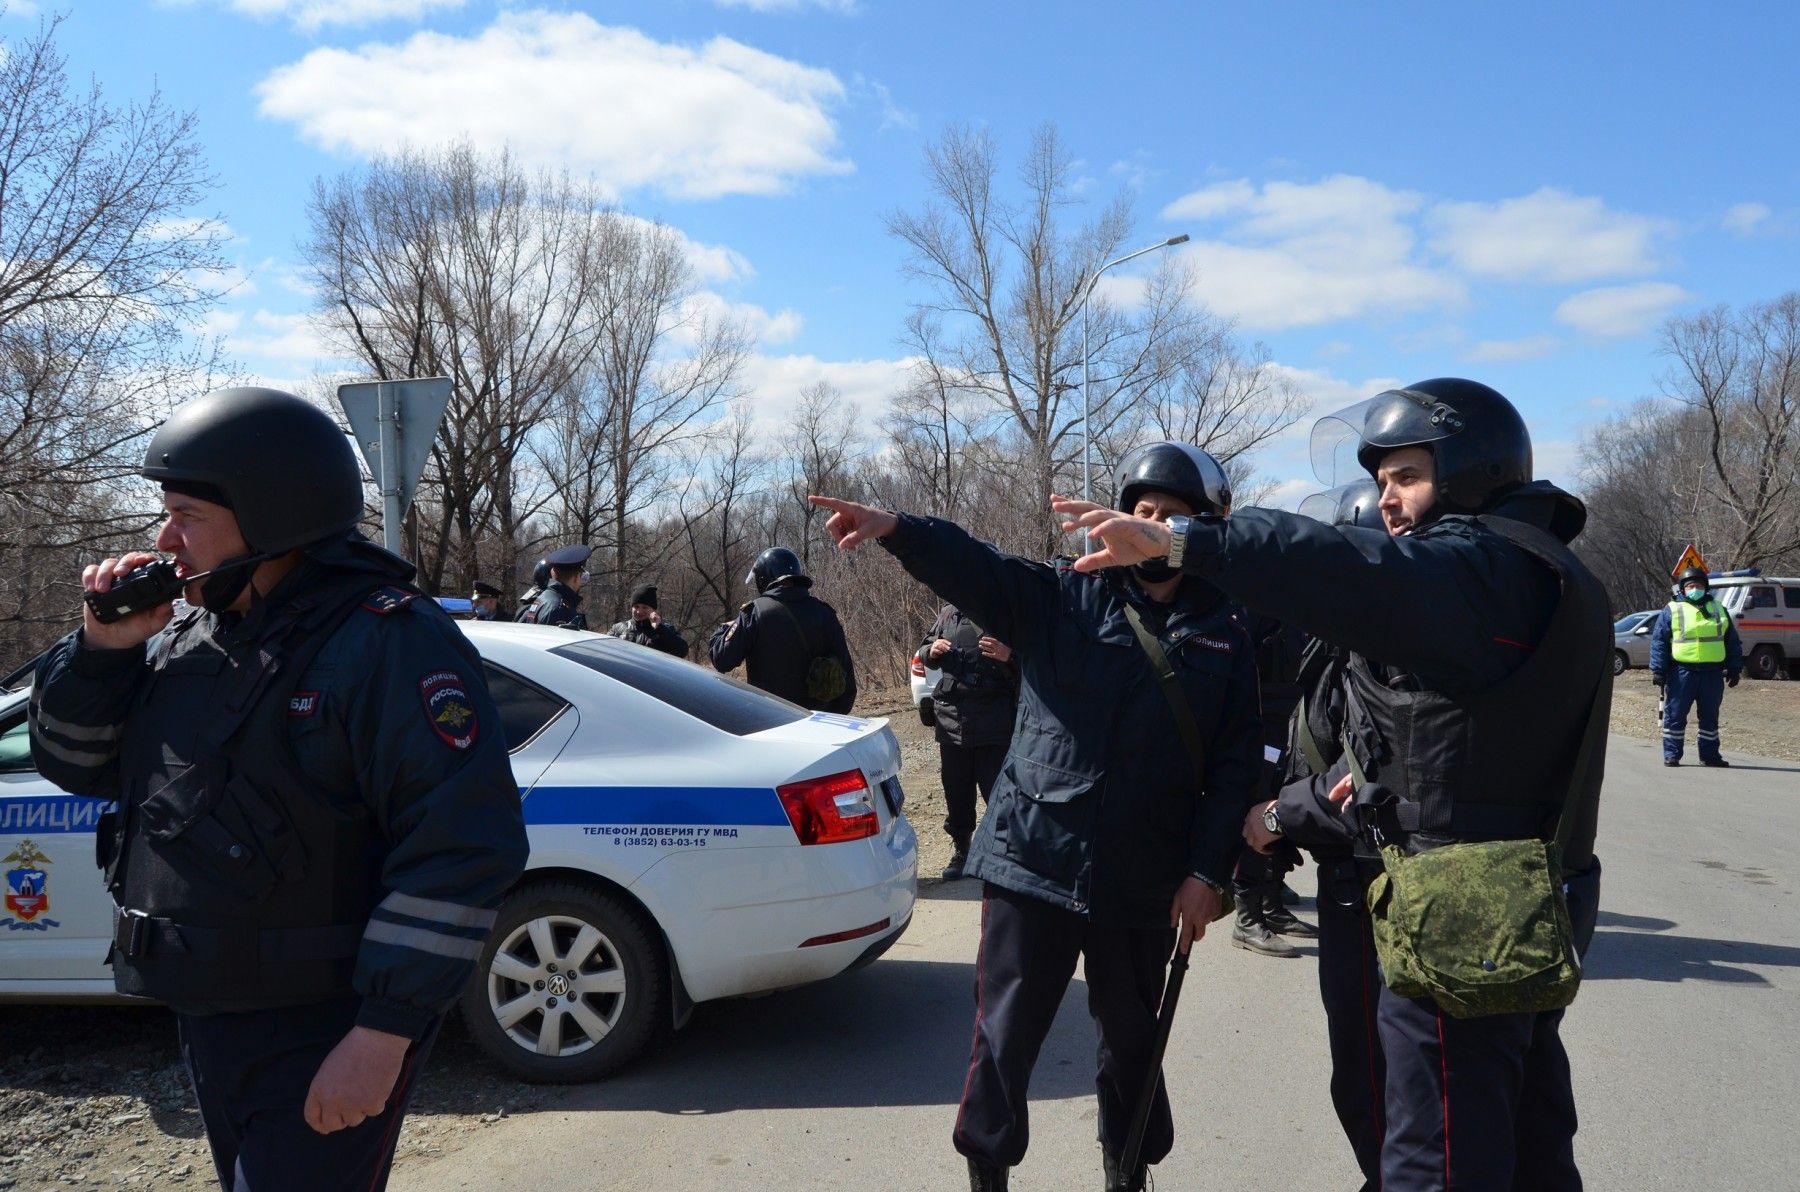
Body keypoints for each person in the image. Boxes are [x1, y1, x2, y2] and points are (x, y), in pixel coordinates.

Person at [1061, 379, 1611, 1192]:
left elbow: (1349, 570)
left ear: (1469, 469)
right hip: (1518, 907)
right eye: (1381, 482)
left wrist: (1190, 543)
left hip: (1456, 919)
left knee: (1438, 1154)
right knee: (1527, 1137)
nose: (1388, 501)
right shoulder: (1538, 571)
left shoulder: (1479, 570)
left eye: (1408, 477)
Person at [26, 386, 530, 1192]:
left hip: (324, 1022)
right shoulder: (188, 629)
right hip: (211, 1014)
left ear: (269, 513)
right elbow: (74, 763)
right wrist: (101, 651)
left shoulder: (384, 639)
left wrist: (382, 1034)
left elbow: (464, 846)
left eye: (186, 513)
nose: (163, 538)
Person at [809, 440, 1263, 1192]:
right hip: (1033, 860)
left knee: (1130, 1038)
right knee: (1003, 1037)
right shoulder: (1064, 593)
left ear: (1204, 528)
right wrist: (896, 529)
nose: (1149, 527)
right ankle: (987, 1173)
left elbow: (1234, 767)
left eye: (1171, 518)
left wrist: (1209, 872)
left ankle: (1126, 1170)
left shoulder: (1227, 635)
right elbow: (975, 565)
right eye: (1141, 511)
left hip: (1142, 876)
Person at [1241, 478, 1388, 1189]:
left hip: (1382, 883)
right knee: (1359, 1072)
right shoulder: (1335, 641)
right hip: (1347, 882)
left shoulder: (1392, 652)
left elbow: (1376, 789)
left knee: (1378, 1073)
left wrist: (1279, 815)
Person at [1228, 611, 1316, 958]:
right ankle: (1247, 920)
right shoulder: (1253, 598)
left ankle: (1272, 902)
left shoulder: (1299, 597)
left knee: (1286, 811)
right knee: (1261, 812)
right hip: (1264, 726)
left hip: (1297, 720)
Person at [920, 604, 1018, 881]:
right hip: (952, 720)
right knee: (956, 789)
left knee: (999, 791)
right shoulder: (949, 613)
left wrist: (1010, 656)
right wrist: (932, 650)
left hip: (995, 720)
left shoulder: (1005, 609)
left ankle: (1004, 853)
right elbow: (925, 650)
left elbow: (1038, 658)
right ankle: (962, 849)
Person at [707, 547, 857, 714]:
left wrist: (723, 630)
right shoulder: (824, 612)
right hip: (820, 722)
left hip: (771, 720)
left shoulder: (754, 613)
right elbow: (847, 681)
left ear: (763, 578)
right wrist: (833, 717)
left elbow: (722, 659)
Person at [1649, 565, 1742, 767]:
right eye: (1690, 585)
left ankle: (1709, 756)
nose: (1694, 589)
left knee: (1710, 718)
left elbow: (1732, 641)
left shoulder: (1719, 609)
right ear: (1682, 589)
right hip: (1682, 672)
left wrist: (1735, 667)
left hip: (1712, 673)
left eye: (1698, 585)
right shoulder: (1672, 609)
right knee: (1675, 716)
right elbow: (1659, 641)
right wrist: (1658, 670)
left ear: (1706, 587)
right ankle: (1672, 754)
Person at [517, 545, 590, 629]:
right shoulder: (558, 610)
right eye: (581, 576)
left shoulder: (544, 597)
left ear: (552, 572)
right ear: (576, 577)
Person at [608, 584, 689, 657]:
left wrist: (659, 628)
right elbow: (604, 651)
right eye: (636, 606)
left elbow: (682, 652)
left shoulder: (665, 630)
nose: (639, 611)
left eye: (644, 607)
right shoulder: (618, 628)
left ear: (653, 609)